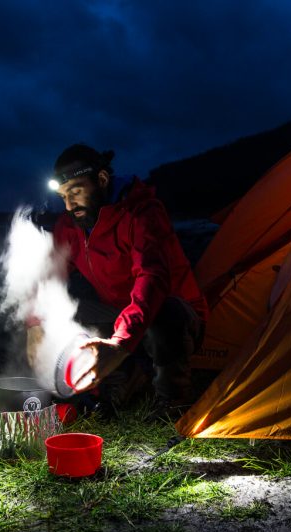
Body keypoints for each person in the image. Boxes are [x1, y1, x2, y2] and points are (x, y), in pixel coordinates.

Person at [30, 144, 208, 419]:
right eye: (63, 196)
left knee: (165, 311)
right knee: (63, 312)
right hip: (119, 318)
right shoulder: (70, 225)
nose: (69, 205)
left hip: (173, 316)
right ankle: (115, 385)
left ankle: (173, 400)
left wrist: (121, 342)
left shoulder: (141, 212)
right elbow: (50, 276)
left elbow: (152, 280)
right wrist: (35, 325)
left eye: (75, 192)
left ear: (102, 180)